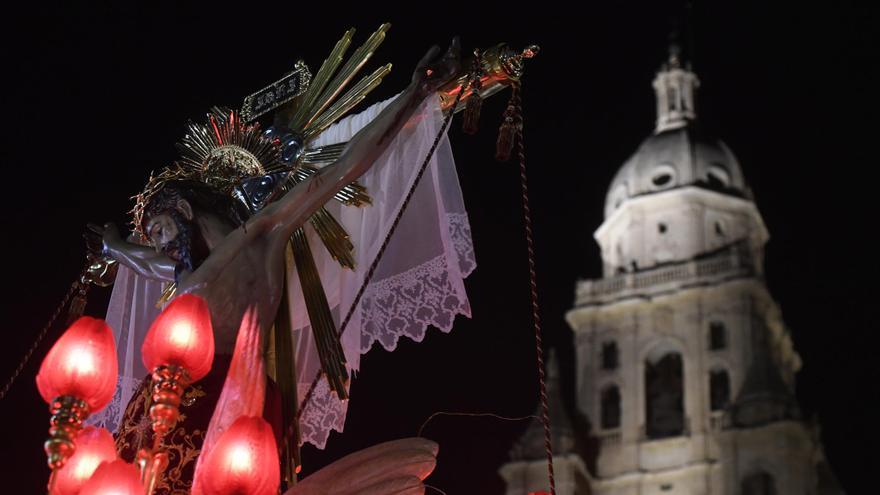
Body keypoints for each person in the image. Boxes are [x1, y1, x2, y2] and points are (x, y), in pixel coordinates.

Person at [90, 39, 464, 493]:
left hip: (226, 400)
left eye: (161, 230)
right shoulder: (184, 269)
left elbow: (343, 168)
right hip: (162, 404)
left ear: (185, 211)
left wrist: (415, 94)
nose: (161, 246)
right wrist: (113, 245)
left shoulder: (263, 233)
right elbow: (141, 261)